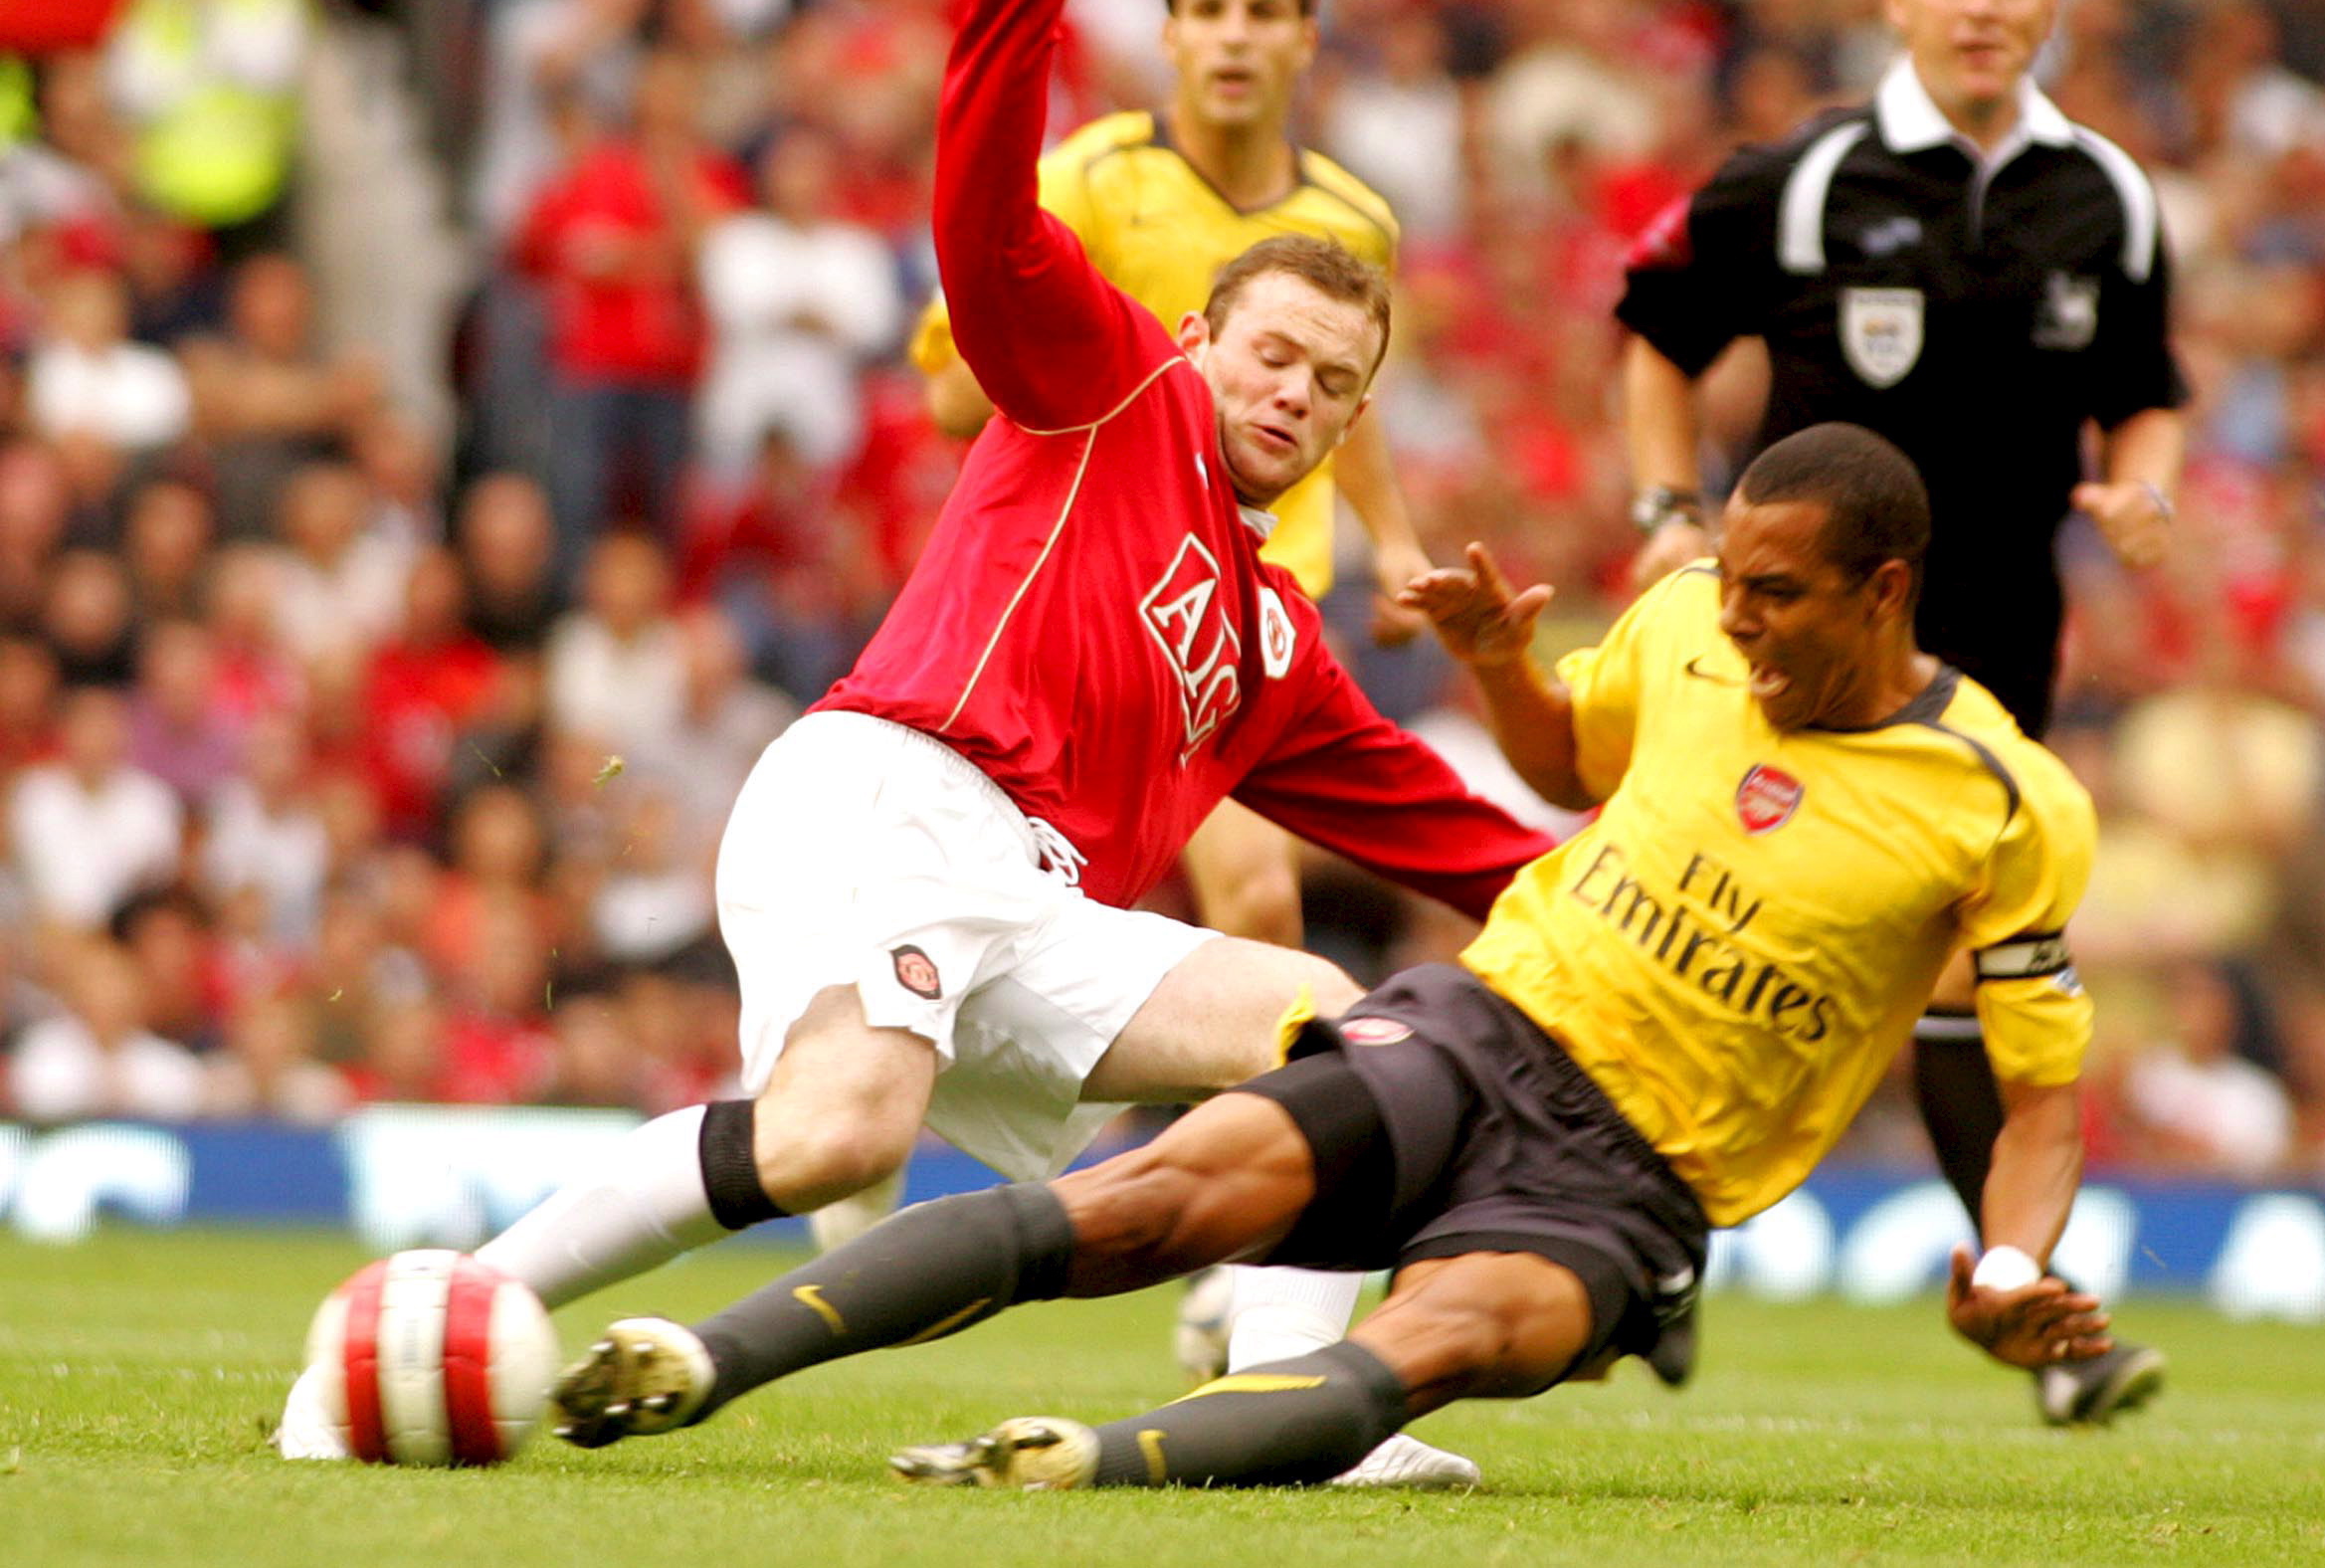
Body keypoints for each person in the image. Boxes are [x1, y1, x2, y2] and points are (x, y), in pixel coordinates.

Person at [276, 0, 1550, 1488]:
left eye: (1332, 382)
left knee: (1331, 1027)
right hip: (893, 797)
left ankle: (1282, 1418)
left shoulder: (1271, 638)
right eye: (1273, 355)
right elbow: (982, 220)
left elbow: (1476, 850)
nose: (1293, 393)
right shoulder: (1112, 385)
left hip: (1032, 904)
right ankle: (428, 1321)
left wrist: (1688, 924)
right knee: (834, 1140)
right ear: (1200, 341)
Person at [544, 412, 2111, 1491]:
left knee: (1441, 1338)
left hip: (1638, 1182)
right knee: (1143, 1202)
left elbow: (2039, 1099)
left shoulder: (2002, 803)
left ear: (1886, 590)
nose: (1742, 622)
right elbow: (1573, 765)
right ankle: (697, 1357)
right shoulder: (1689, 613)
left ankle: (1087, 1467)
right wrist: (1504, 664)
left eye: (1781, 596)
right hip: (1484, 1032)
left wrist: (2017, 1262)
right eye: (1737, 585)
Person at [1614, 0, 2183, 1428]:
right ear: (1898, 0)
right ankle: (1650, 1243)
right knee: (1707, 934)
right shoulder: (1797, 178)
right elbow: (1656, 337)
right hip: (1784, 646)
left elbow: (2149, 384)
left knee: (1974, 974)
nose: (1987, 5)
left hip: (1990, 664)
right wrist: (1673, 510)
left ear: (2051, 0)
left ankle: (2023, 1301)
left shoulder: (2108, 199)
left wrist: (2145, 480)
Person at [908, 0, 1454, 1473]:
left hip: (1256, 625)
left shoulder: (1354, 221)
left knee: (1267, 915)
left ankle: (1242, 1274)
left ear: (1302, 38)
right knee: (1219, 941)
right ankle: (1224, 1249)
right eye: (1205, 8)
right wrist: (1138, 382)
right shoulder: (1091, 175)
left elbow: (1355, 423)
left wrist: (1406, 548)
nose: (1232, 37)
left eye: (1262, 11)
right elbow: (960, 393)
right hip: (1100, 591)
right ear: (1168, 33)